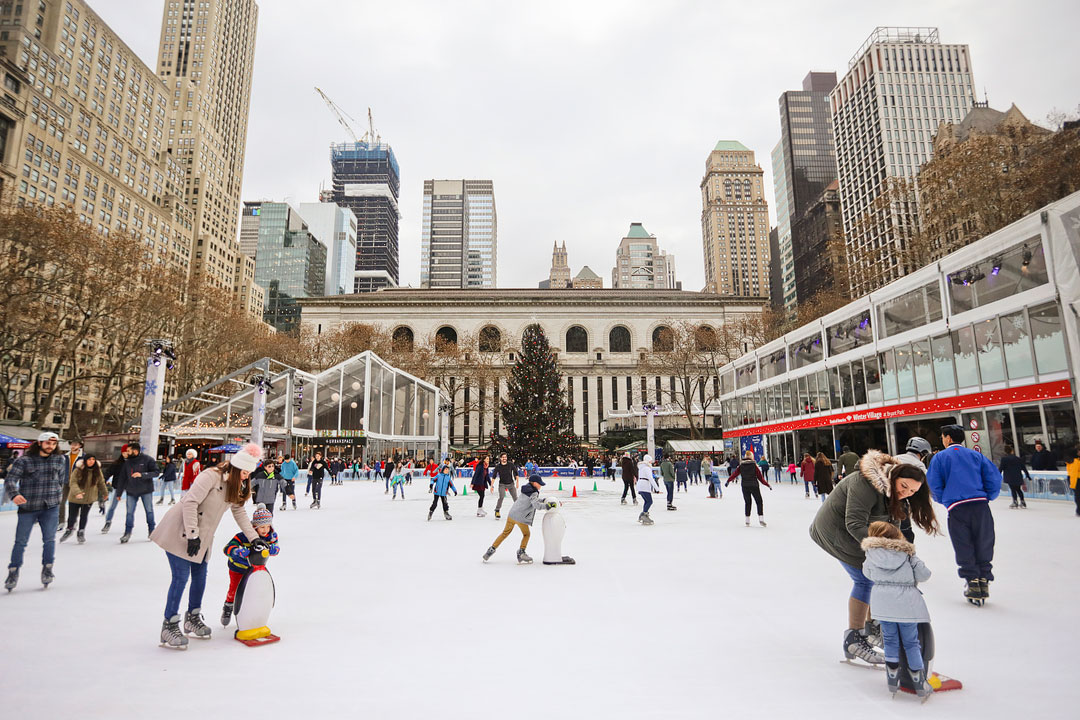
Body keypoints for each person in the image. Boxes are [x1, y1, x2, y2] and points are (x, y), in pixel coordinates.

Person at [810, 450, 939, 666]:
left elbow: (893, 526)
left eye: (912, 491)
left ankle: (871, 627)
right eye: (904, 486)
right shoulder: (866, 483)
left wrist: (899, 551)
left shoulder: (895, 493)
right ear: (895, 476)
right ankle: (854, 638)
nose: (906, 492)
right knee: (865, 579)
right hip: (834, 531)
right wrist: (884, 548)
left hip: (858, 532)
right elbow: (853, 523)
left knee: (879, 574)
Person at [150, 442, 262, 649]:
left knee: (200, 577)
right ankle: (169, 624)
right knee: (181, 577)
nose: (247, 477)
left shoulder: (237, 484)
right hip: (181, 531)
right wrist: (192, 535)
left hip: (203, 537)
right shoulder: (211, 475)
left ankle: (192, 618)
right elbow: (190, 502)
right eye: (245, 472)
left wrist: (254, 538)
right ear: (237, 468)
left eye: (249, 473)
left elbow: (239, 511)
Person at [926, 424, 1002, 605]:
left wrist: (945, 500)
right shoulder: (976, 456)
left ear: (949, 438)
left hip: (957, 507)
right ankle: (983, 578)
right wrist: (988, 496)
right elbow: (994, 478)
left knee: (963, 543)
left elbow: (934, 484)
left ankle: (972, 581)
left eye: (943, 437)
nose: (942, 440)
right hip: (980, 505)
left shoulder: (940, 458)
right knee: (984, 540)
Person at [861, 521, 934, 699]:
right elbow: (925, 575)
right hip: (906, 604)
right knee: (911, 643)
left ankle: (892, 679)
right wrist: (914, 559)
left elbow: (867, 574)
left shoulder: (870, 555)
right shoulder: (907, 554)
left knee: (891, 641)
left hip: (882, 604)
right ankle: (919, 680)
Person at [4, 432, 67, 591]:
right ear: (39, 443)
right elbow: (10, 479)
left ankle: (47, 568)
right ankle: (13, 570)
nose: (50, 446)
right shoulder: (24, 460)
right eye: (47, 443)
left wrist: (57, 497)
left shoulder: (59, 459)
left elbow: (61, 480)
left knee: (49, 540)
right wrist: (15, 494)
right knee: (20, 542)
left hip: (50, 506)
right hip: (29, 507)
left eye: (53, 444)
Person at [221, 503, 280, 627]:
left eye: (268, 526)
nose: (265, 530)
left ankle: (251, 612)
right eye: (262, 527)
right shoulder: (242, 537)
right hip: (238, 568)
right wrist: (238, 551)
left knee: (255, 591)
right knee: (234, 589)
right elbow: (227, 549)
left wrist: (274, 549)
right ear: (254, 526)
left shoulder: (270, 536)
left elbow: (276, 546)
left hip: (255, 569)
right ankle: (228, 606)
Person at [482, 474, 553, 564]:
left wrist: (542, 500)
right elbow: (536, 505)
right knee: (526, 534)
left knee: (504, 533)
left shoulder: (526, 489)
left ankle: (490, 550)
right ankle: (521, 553)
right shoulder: (534, 492)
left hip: (512, 514)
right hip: (520, 518)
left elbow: (532, 500)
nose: (541, 486)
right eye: (540, 484)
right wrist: (547, 506)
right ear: (535, 483)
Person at [60, 455, 108, 544]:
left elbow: (101, 482)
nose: (91, 461)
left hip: (88, 498)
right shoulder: (78, 470)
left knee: (84, 515)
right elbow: (73, 482)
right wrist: (78, 492)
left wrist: (105, 493)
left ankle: (81, 531)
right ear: (85, 460)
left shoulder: (97, 471)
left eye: (93, 459)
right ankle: (69, 529)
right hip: (75, 497)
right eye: (89, 459)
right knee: (72, 516)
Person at [120, 442, 160, 544]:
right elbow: (123, 477)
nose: (127, 453)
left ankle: (152, 530)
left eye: (129, 451)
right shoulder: (127, 462)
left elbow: (156, 472)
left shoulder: (148, 459)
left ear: (135, 451)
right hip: (131, 490)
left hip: (146, 490)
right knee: (129, 513)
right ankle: (127, 532)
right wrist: (119, 493)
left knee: (149, 511)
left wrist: (142, 475)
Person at [727, 450, 771, 527]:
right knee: (759, 501)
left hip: (745, 486)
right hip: (754, 485)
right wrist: (767, 485)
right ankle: (761, 519)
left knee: (748, 502)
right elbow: (760, 478)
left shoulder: (741, 466)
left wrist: (728, 481)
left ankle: (747, 520)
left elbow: (734, 474)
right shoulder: (754, 466)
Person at [101, 446, 129, 533]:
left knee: (130, 508)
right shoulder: (117, 463)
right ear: (122, 453)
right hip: (118, 487)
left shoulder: (134, 463)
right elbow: (108, 473)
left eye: (128, 452)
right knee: (112, 506)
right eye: (125, 452)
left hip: (130, 487)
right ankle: (108, 522)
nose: (127, 453)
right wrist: (104, 480)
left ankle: (128, 525)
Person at [58, 439, 82, 529]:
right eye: (72, 444)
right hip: (66, 482)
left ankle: (74, 520)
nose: (73, 446)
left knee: (75, 503)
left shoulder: (83, 457)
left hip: (77, 483)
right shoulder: (65, 456)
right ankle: (61, 521)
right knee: (61, 502)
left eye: (75, 444)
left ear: (80, 445)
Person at [492, 452, 520, 520]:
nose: (504, 458)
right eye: (503, 457)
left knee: (515, 498)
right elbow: (494, 476)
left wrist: (517, 482)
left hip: (511, 484)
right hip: (502, 484)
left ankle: (519, 511)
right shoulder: (498, 466)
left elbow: (516, 473)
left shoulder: (510, 464)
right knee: (501, 497)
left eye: (505, 457)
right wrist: (492, 486)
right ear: (500, 458)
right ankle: (497, 510)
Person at [636, 454, 660, 525]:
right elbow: (651, 479)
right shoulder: (646, 468)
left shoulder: (641, 467)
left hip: (641, 485)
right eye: (650, 461)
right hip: (644, 486)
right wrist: (657, 489)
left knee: (646, 501)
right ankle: (644, 515)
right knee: (649, 501)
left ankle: (643, 514)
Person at [1068, 447, 1080, 517]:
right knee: (1078, 496)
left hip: (1075, 479)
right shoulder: (1074, 461)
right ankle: (1079, 510)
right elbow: (1074, 472)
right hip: (1076, 480)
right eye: (1078, 451)